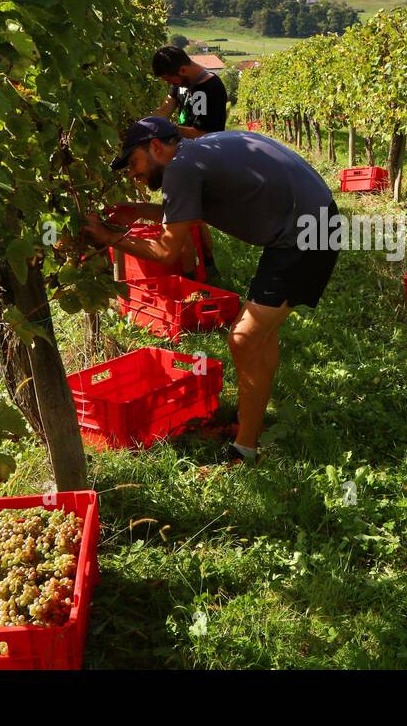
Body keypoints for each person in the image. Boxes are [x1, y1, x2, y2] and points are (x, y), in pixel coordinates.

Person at [85, 116, 340, 466]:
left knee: (244, 338)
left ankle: (244, 450)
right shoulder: (196, 154)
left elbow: (165, 251)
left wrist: (107, 237)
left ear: (156, 147)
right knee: (259, 336)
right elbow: (185, 209)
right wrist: (137, 212)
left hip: (306, 235)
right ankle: (252, 422)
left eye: (134, 162)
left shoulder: (181, 168)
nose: (132, 173)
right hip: (308, 225)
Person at [152, 45, 229, 282]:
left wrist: (167, 130)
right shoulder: (180, 82)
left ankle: (195, 276)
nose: (170, 84)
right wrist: (149, 122)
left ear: (183, 69)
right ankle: (205, 270)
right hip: (183, 157)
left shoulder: (210, 88)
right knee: (192, 217)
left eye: (170, 79)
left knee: (183, 219)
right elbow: (166, 107)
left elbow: (203, 133)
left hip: (204, 159)